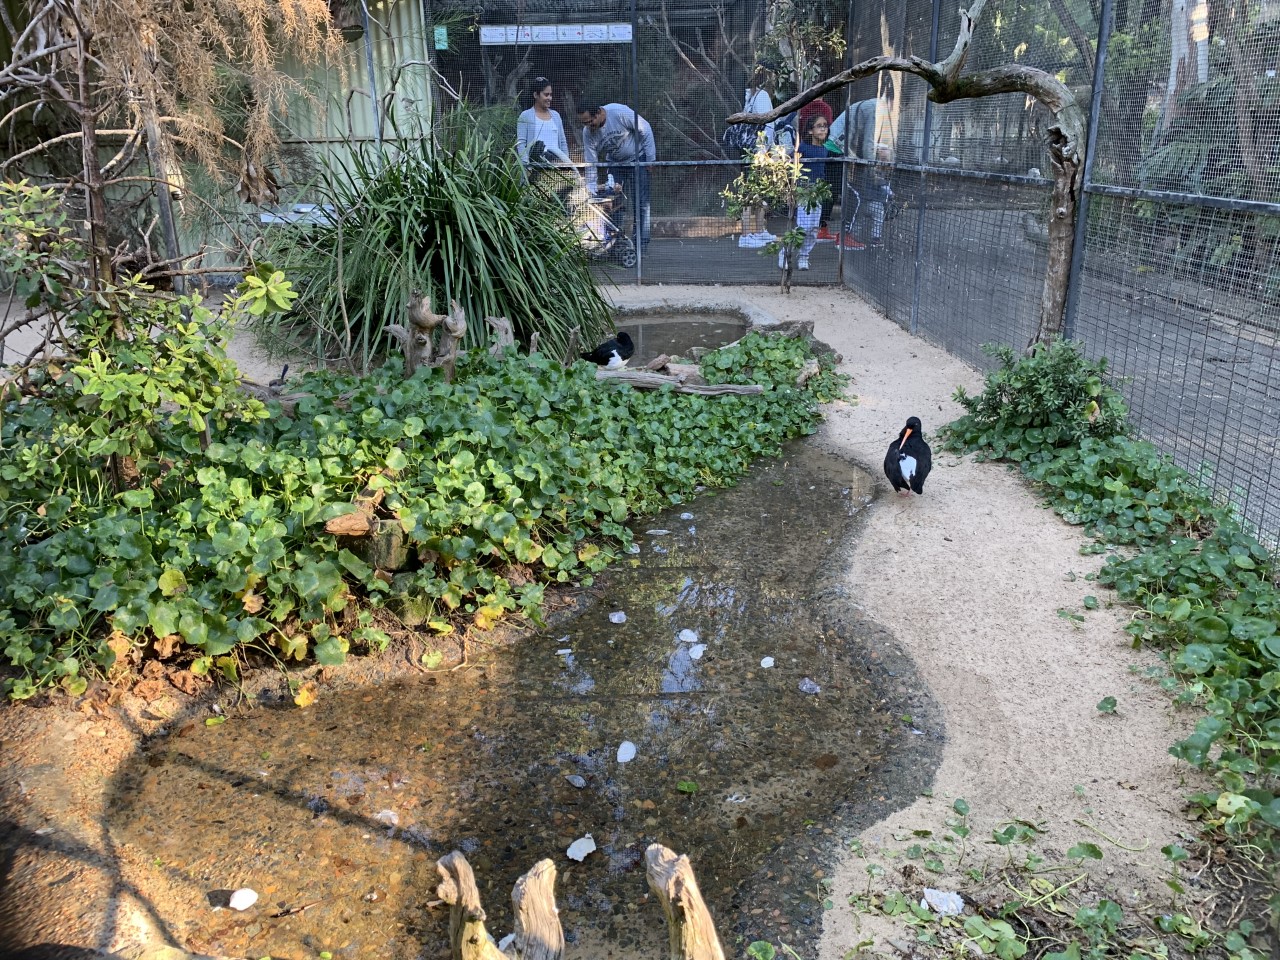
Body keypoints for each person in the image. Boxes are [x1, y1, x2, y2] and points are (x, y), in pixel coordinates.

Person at [578, 103, 657, 252]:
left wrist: (650, 160)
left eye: (589, 121)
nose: (588, 126)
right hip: (615, 163)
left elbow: (645, 129)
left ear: (599, 113)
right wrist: (591, 186)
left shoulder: (619, 113)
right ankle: (615, 244)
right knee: (611, 202)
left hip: (638, 159)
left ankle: (640, 245)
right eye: (584, 123)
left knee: (641, 203)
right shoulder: (587, 132)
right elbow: (591, 160)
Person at [779, 114, 839, 272]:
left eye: (825, 125)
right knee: (803, 226)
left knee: (813, 227)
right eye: (819, 125)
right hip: (804, 190)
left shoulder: (827, 149)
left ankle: (804, 255)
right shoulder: (803, 147)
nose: (823, 128)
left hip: (817, 192)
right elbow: (791, 163)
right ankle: (785, 253)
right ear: (811, 130)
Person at [515, 77, 569, 164]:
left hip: (557, 169)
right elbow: (521, 144)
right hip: (535, 169)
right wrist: (526, 166)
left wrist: (567, 165)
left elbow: (563, 143)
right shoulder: (525, 116)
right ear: (536, 95)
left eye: (551, 95)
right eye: (546, 94)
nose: (550, 98)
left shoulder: (556, 116)